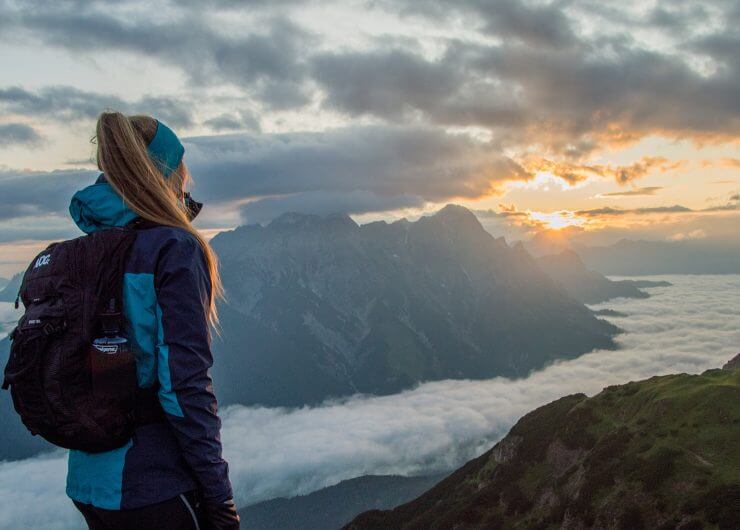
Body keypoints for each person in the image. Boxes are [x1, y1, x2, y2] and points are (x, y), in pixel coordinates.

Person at [65, 111, 239, 530]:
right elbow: (184, 384)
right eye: (181, 171)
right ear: (163, 173)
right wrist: (219, 496)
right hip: (155, 484)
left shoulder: (84, 250)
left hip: (90, 484)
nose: (186, 182)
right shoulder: (172, 248)